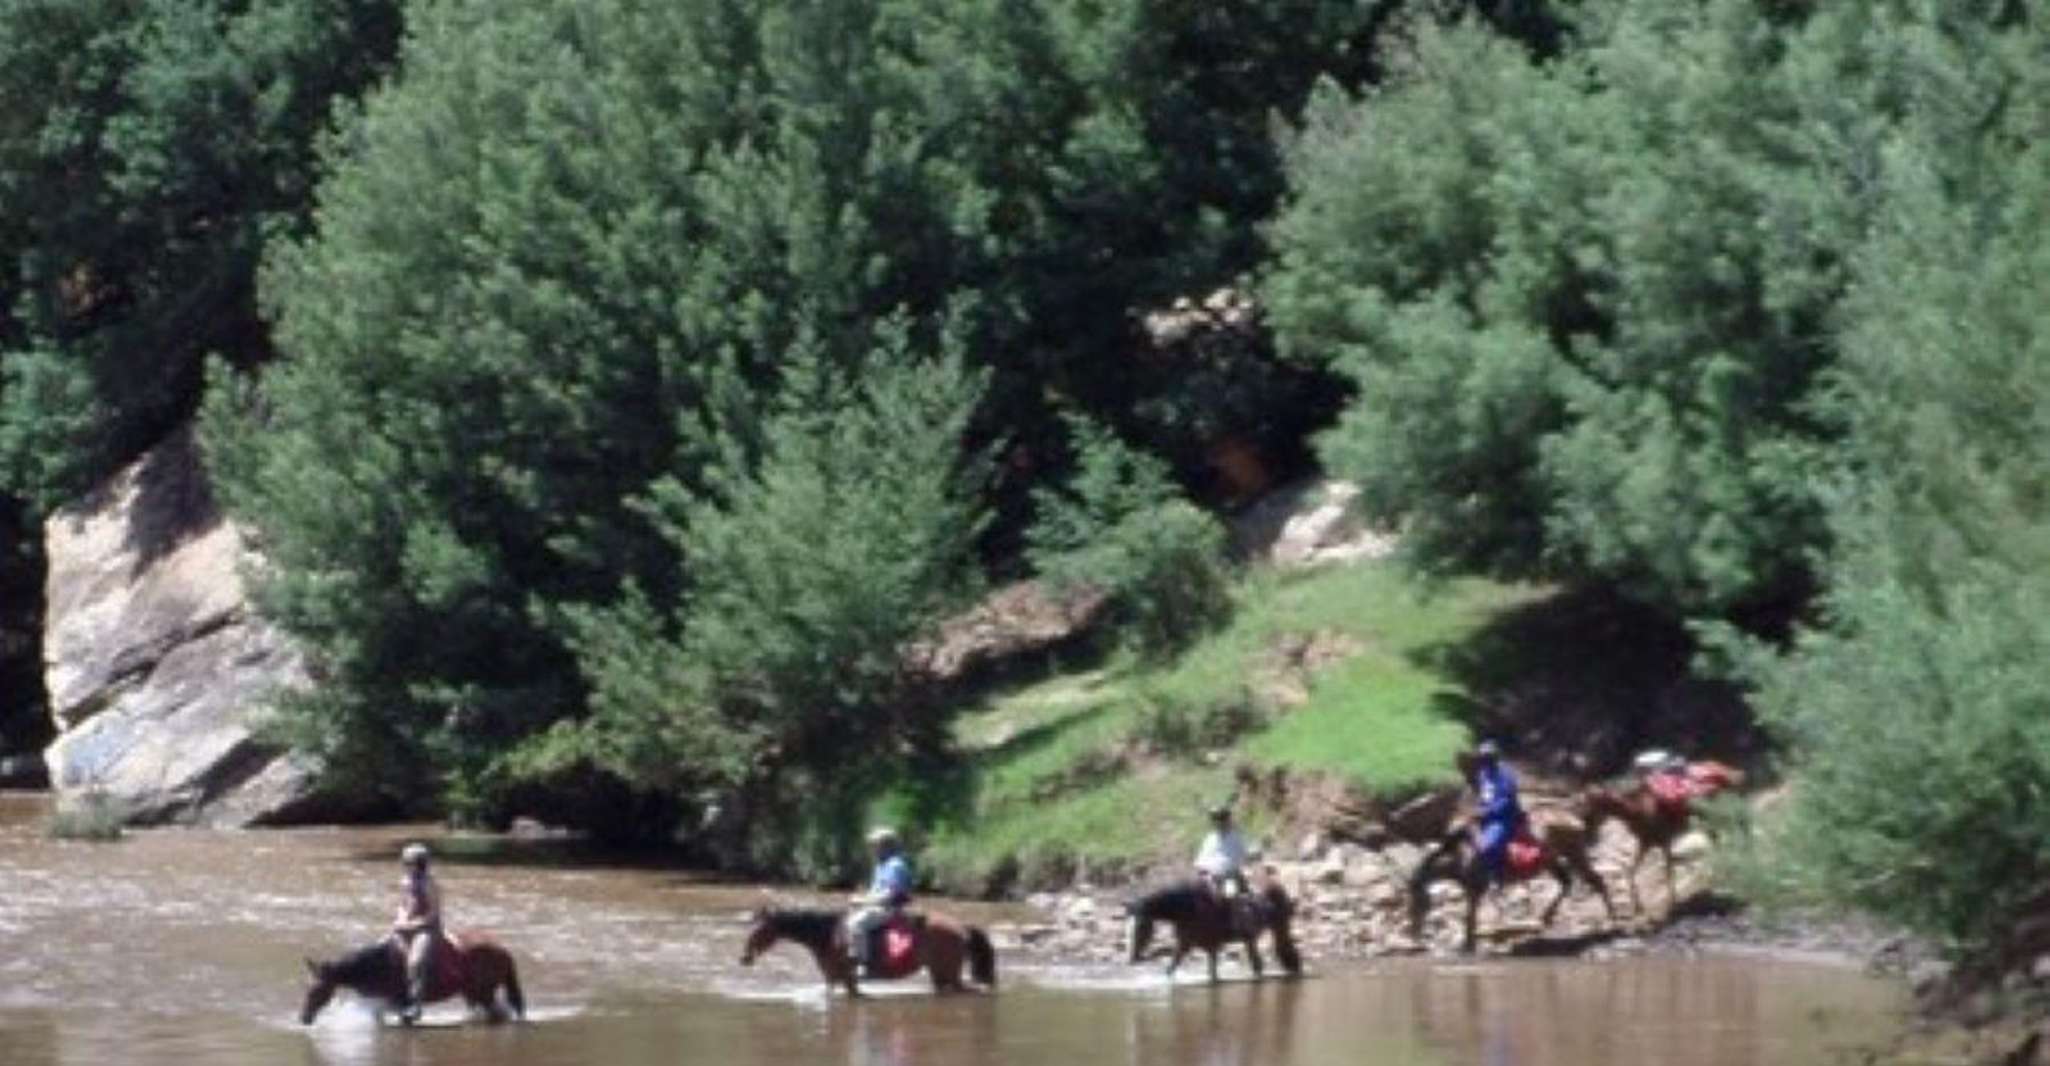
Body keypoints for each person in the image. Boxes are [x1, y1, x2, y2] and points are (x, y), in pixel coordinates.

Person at [847, 827, 914, 975]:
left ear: (886, 847)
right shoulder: (881, 866)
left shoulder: (895, 866)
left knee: (856, 924)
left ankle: (863, 964)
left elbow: (890, 894)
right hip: (878, 906)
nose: (872, 851)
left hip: (890, 908)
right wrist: (862, 900)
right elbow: (875, 891)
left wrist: (863, 901)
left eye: (874, 846)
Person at [390, 842, 443, 1022]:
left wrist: (413, 925)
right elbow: (402, 904)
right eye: (407, 863)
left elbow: (433, 912)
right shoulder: (405, 881)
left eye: (411, 863)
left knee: (415, 961)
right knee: (382, 952)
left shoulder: (430, 883)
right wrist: (400, 919)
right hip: (406, 925)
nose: (408, 866)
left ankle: (415, 1006)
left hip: (427, 928)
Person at [1469, 740, 1524, 883]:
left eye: (1487, 758)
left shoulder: (1506, 775)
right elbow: (1483, 795)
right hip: (1486, 815)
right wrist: (1477, 808)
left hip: (1504, 817)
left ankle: (1497, 875)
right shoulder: (1483, 774)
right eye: (1482, 759)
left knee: (1489, 846)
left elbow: (1507, 800)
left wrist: (1487, 812)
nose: (1484, 761)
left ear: (1494, 758)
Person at [1194, 804, 1250, 900]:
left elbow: (1241, 856)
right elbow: (1201, 859)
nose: (1219, 823)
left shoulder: (1235, 837)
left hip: (1229, 877)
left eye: (1221, 820)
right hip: (1210, 876)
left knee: (1231, 898)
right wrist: (1203, 871)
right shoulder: (1210, 838)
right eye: (1216, 820)